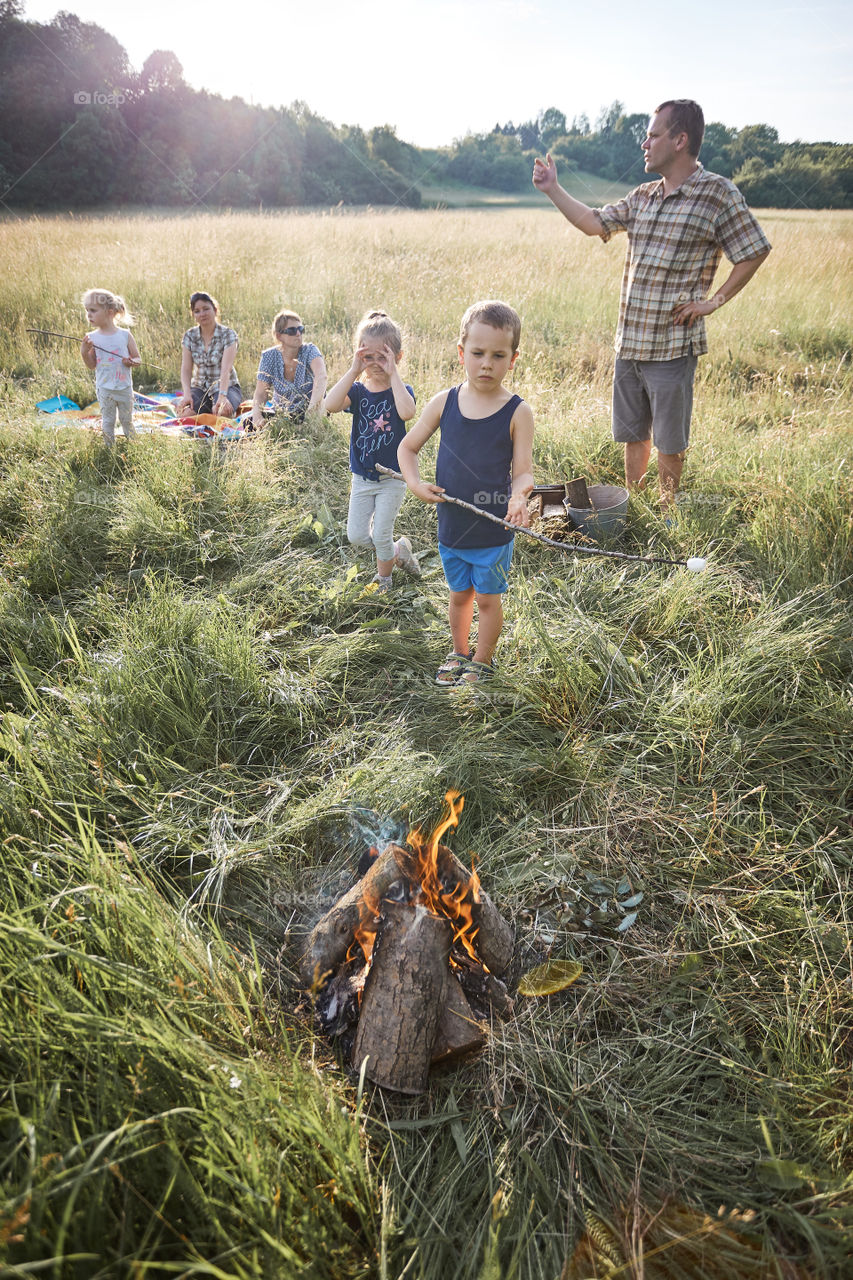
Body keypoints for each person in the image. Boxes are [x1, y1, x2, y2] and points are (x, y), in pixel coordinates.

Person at [533, 99, 771, 506]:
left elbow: (754, 250)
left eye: (653, 134)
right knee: (633, 432)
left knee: (669, 438)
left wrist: (714, 302)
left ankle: (667, 510)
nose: (644, 143)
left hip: (672, 345)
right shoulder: (643, 195)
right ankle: (635, 503)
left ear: (680, 140)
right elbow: (594, 222)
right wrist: (553, 188)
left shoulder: (716, 193)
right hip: (630, 342)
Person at [397, 300, 534, 685]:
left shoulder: (517, 412)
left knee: (488, 599)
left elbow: (523, 473)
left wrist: (519, 497)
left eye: (497, 355)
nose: (486, 363)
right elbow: (407, 448)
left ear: (513, 358)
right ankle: (458, 652)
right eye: (477, 353)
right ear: (462, 354)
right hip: (452, 528)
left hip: (493, 530)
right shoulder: (445, 403)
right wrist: (414, 483)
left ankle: (483, 659)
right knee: (459, 596)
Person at [324, 310, 421, 592]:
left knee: (380, 533)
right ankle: (399, 550)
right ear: (359, 355)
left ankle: (384, 580)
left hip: (392, 477)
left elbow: (408, 412)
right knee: (356, 535)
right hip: (362, 477)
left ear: (397, 357)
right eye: (369, 357)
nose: (376, 364)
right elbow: (330, 405)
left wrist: (394, 375)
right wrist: (354, 369)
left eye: (383, 356)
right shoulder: (358, 391)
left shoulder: (401, 390)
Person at [79, 287, 141, 446]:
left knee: (127, 420)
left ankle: (134, 447)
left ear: (110, 312)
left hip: (124, 387)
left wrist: (131, 361)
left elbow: (138, 358)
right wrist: (84, 353)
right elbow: (92, 365)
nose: (89, 314)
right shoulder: (91, 338)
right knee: (108, 421)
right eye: (87, 310)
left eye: (93, 310)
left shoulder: (125, 335)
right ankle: (109, 450)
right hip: (105, 388)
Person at [252, 309, 327, 427]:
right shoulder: (269, 356)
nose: (298, 334)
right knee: (251, 424)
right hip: (282, 412)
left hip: (311, 408)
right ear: (279, 336)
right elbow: (261, 392)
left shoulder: (310, 350)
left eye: (301, 329)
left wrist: (311, 412)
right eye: (292, 331)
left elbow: (321, 376)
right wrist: (257, 416)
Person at [175, 291, 242, 418]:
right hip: (200, 387)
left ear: (215, 310)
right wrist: (187, 395)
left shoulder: (228, 334)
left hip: (226, 386)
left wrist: (222, 396)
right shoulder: (190, 336)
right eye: (197, 311)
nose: (202, 314)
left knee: (222, 411)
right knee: (185, 414)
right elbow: (186, 369)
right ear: (193, 315)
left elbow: (226, 368)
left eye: (206, 309)